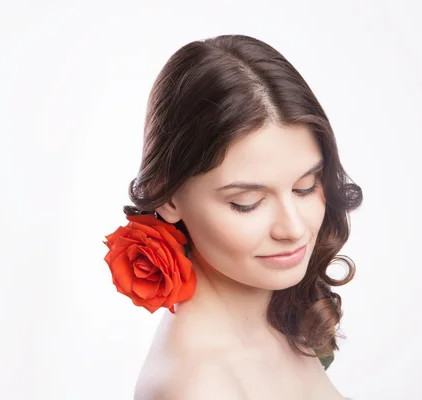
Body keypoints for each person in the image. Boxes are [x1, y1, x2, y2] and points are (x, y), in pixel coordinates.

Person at [102, 34, 363, 399]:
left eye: (306, 187)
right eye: (247, 202)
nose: (293, 228)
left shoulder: (279, 322)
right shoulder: (199, 385)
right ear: (169, 195)